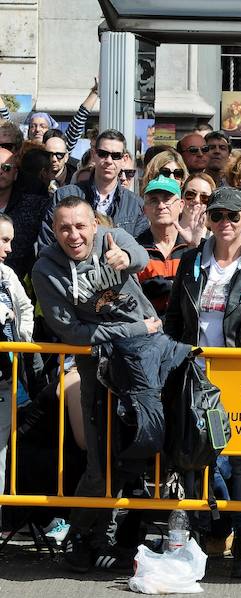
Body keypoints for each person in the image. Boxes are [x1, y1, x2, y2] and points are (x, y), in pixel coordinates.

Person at [32, 196, 160, 573]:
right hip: (98, 366)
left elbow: (139, 253)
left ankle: (117, 540)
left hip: (144, 360)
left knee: (145, 452)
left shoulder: (111, 238)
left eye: (80, 226)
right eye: (64, 228)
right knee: (100, 460)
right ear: (54, 231)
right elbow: (72, 330)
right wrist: (133, 328)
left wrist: (126, 259)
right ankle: (81, 537)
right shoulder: (46, 268)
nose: (74, 235)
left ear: (95, 225)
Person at [164, 186, 241, 578]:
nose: (225, 223)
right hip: (197, 375)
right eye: (217, 216)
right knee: (199, 456)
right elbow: (177, 320)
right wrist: (175, 356)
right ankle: (207, 532)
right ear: (208, 220)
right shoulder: (192, 260)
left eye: (233, 216)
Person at [39, 129, 148, 249]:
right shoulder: (63, 196)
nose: (109, 161)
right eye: (103, 154)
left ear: (124, 159)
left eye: (116, 156)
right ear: (93, 154)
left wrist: (126, 257)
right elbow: (46, 245)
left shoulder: (136, 204)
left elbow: (140, 252)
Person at [0, 213, 34, 527]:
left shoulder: (8, 275)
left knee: (1, 450)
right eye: (3, 240)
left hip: (5, 378)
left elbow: (25, 307)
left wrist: (22, 339)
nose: (9, 248)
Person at [136, 176, 198, 316]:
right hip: (150, 331)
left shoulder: (194, 246)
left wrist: (196, 248)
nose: (161, 205)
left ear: (181, 205)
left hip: (187, 331)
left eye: (167, 199)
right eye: (154, 200)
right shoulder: (135, 249)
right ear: (144, 209)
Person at [0, 78, 97, 151]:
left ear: (50, 130)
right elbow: (5, 121)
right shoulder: (20, 149)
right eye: (33, 126)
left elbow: (78, 122)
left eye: (43, 126)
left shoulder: (59, 148)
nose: (37, 130)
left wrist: (95, 92)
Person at [0, 147, 48, 277]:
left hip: (18, 283)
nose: (0, 172)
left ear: (15, 173)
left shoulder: (34, 206)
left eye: (6, 168)